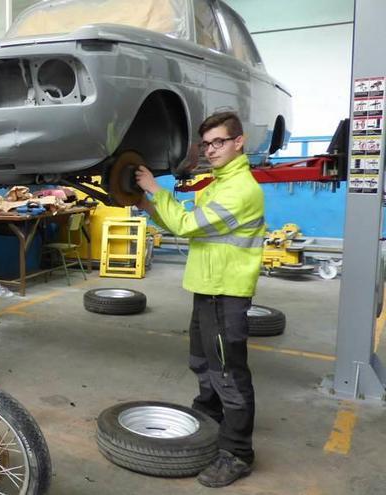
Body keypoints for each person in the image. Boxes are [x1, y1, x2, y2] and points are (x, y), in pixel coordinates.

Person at [134, 111, 265, 488]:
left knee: (228, 372)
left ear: (239, 142)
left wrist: (155, 189)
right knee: (202, 361)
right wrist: (148, 207)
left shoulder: (242, 190)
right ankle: (208, 418)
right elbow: (189, 228)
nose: (210, 150)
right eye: (206, 144)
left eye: (219, 142)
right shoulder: (218, 185)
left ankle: (238, 452)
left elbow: (188, 224)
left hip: (227, 292)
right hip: (207, 288)